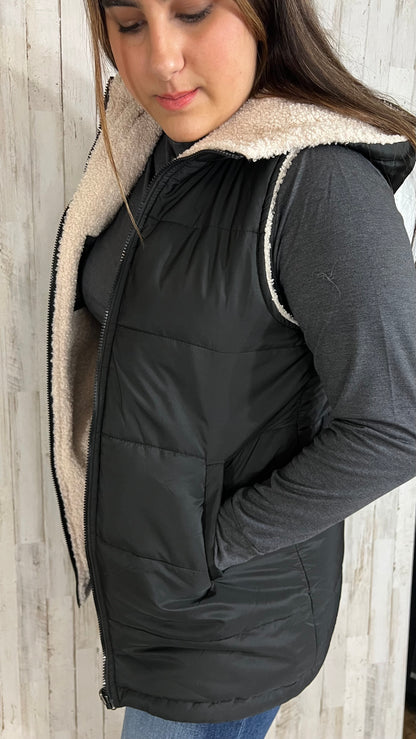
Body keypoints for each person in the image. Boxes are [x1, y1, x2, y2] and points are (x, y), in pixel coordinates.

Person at [46, 0, 416, 736]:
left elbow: (395, 426)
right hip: (159, 597)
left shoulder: (320, 184)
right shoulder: (152, 145)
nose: (161, 59)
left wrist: (205, 546)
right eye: (129, 23)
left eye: (191, 11)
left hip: (227, 626)